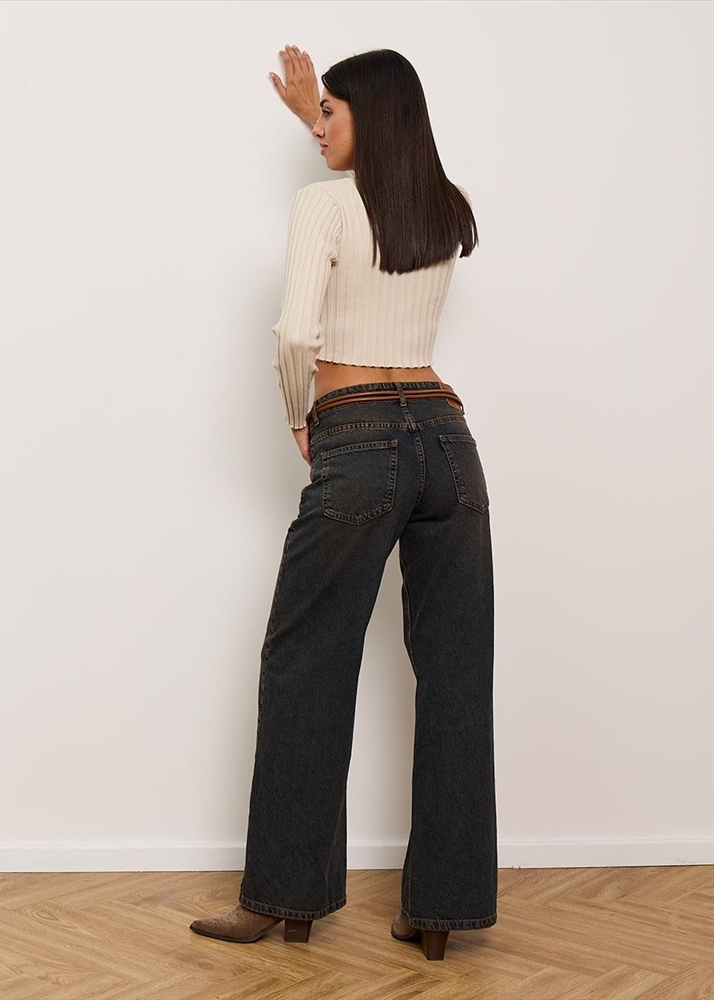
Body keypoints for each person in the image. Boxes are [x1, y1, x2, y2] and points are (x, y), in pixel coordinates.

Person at [189, 46, 497, 963]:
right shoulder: (443, 206)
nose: (317, 125)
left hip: (357, 434)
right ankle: (440, 912)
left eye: (330, 111)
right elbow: (379, 196)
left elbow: (297, 331)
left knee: (307, 663)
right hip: (448, 441)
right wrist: (318, 120)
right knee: (456, 676)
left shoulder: (323, 204)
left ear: (371, 117)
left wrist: (301, 414)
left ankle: (283, 897)